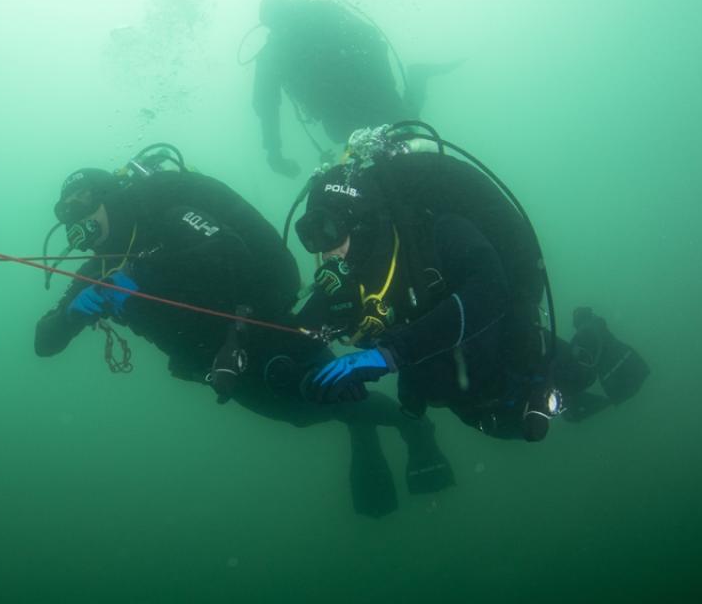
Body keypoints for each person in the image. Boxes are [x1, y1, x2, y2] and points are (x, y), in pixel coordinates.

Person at [35, 153, 454, 516]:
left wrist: (141, 275)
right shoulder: (98, 274)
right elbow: (44, 344)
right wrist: (72, 312)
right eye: (66, 210)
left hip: (260, 324)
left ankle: (414, 429)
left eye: (85, 200)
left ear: (111, 196)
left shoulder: (165, 217)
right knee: (299, 416)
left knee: (317, 392)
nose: (77, 216)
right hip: (212, 364)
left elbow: (228, 250)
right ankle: (360, 428)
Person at [290, 126, 648, 440]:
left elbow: (489, 292)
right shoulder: (342, 279)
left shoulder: (437, 234)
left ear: (361, 223)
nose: (324, 250)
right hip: (463, 398)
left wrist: (390, 354)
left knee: (571, 381)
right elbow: (292, 336)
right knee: (503, 424)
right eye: (310, 237)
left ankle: (593, 334)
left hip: (513, 361)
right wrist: (310, 378)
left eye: (329, 232)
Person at [252, 0, 459, 178]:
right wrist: (274, 154)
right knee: (370, 159)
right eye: (277, 24)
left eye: (285, 19)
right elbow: (266, 106)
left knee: (407, 131)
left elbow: (372, 39)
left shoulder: (320, 16)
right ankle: (417, 77)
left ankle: (417, 77)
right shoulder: (272, 55)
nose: (285, 28)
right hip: (342, 115)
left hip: (371, 93)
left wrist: (275, 155)